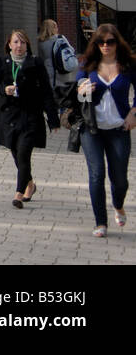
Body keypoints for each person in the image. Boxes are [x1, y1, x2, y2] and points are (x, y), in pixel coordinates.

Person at [0, 30, 58, 210]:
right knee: (15, 153)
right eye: (16, 42)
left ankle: (18, 194)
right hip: (10, 116)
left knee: (23, 153)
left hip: (31, 116)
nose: (19, 46)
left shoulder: (35, 63)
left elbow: (46, 91)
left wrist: (53, 119)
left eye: (22, 43)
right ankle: (30, 185)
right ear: (9, 45)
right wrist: (4, 90)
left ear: (27, 45)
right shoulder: (2, 63)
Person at [76, 24, 135, 237]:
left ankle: (118, 205)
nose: (105, 46)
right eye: (101, 42)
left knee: (120, 178)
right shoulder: (87, 64)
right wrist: (82, 90)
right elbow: (77, 90)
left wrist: (133, 114)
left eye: (110, 42)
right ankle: (100, 222)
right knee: (97, 173)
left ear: (117, 43)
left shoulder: (128, 65)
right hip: (92, 129)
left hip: (119, 128)